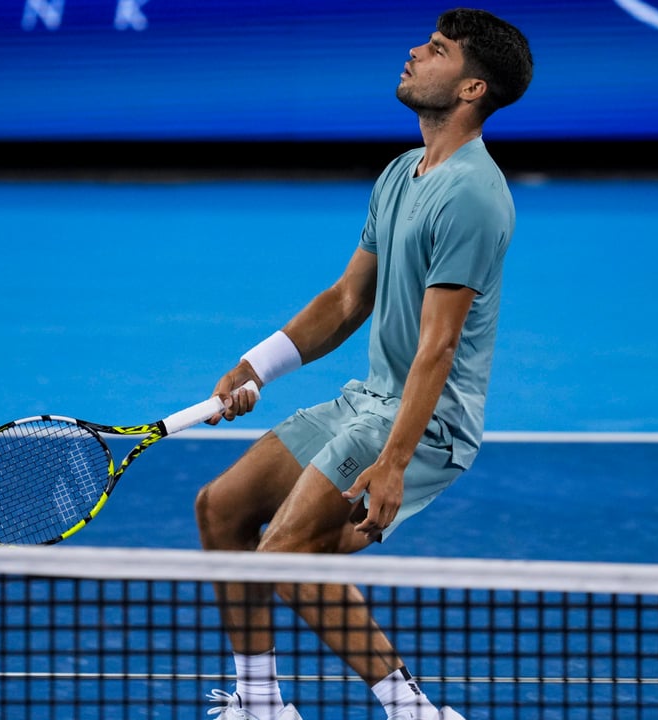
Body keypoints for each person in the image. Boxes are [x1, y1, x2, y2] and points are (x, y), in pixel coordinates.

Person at [196, 8, 533, 720]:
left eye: (436, 50)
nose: (414, 52)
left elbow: (438, 347)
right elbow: (348, 300)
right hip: (371, 399)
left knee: (287, 553)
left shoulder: (473, 196)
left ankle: (414, 713)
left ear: (472, 89)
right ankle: (260, 705)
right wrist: (257, 365)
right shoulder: (403, 172)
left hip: (427, 421)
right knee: (222, 509)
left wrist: (394, 462)